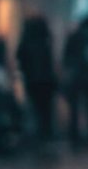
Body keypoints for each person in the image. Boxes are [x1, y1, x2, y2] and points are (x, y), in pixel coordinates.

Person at [16, 13, 58, 148]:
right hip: (46, 82)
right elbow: (49, 63)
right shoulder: (46, 40)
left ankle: (37, 137)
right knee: (46, 111)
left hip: (32, 81)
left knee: (35, 109)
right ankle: (45, 136)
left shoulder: (27, 40)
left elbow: (20, 57)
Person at [61, 14, 88, 146]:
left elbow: (66, 57)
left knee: (75, 108)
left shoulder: (74, 37)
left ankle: (74, 136)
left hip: (77, 78)